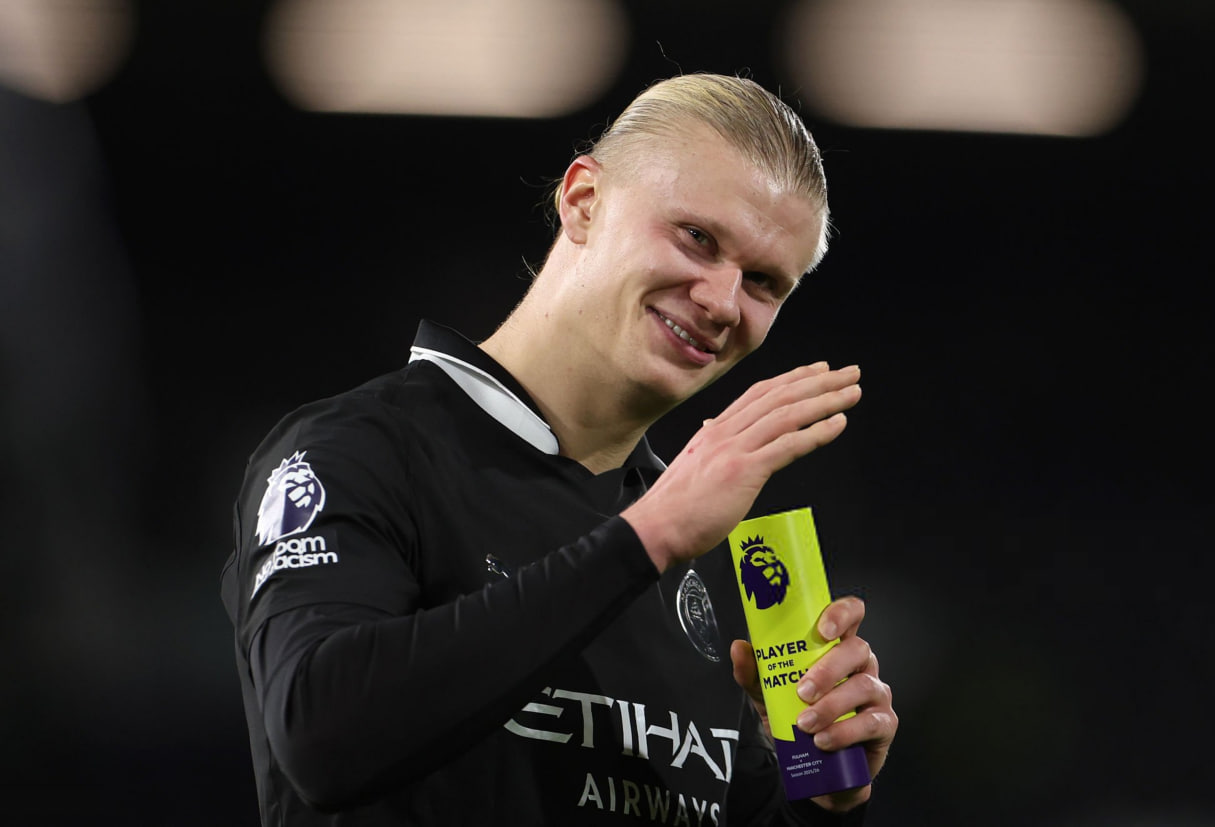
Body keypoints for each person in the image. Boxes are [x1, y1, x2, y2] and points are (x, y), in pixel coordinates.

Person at [221, 73, 898, 826]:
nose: (721, 301)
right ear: (583, 202)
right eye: (697, 237)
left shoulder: (696, 546)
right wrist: (646, 538)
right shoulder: (356, 452)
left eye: (764, 282)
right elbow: (319, 737)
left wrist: (821, 803)